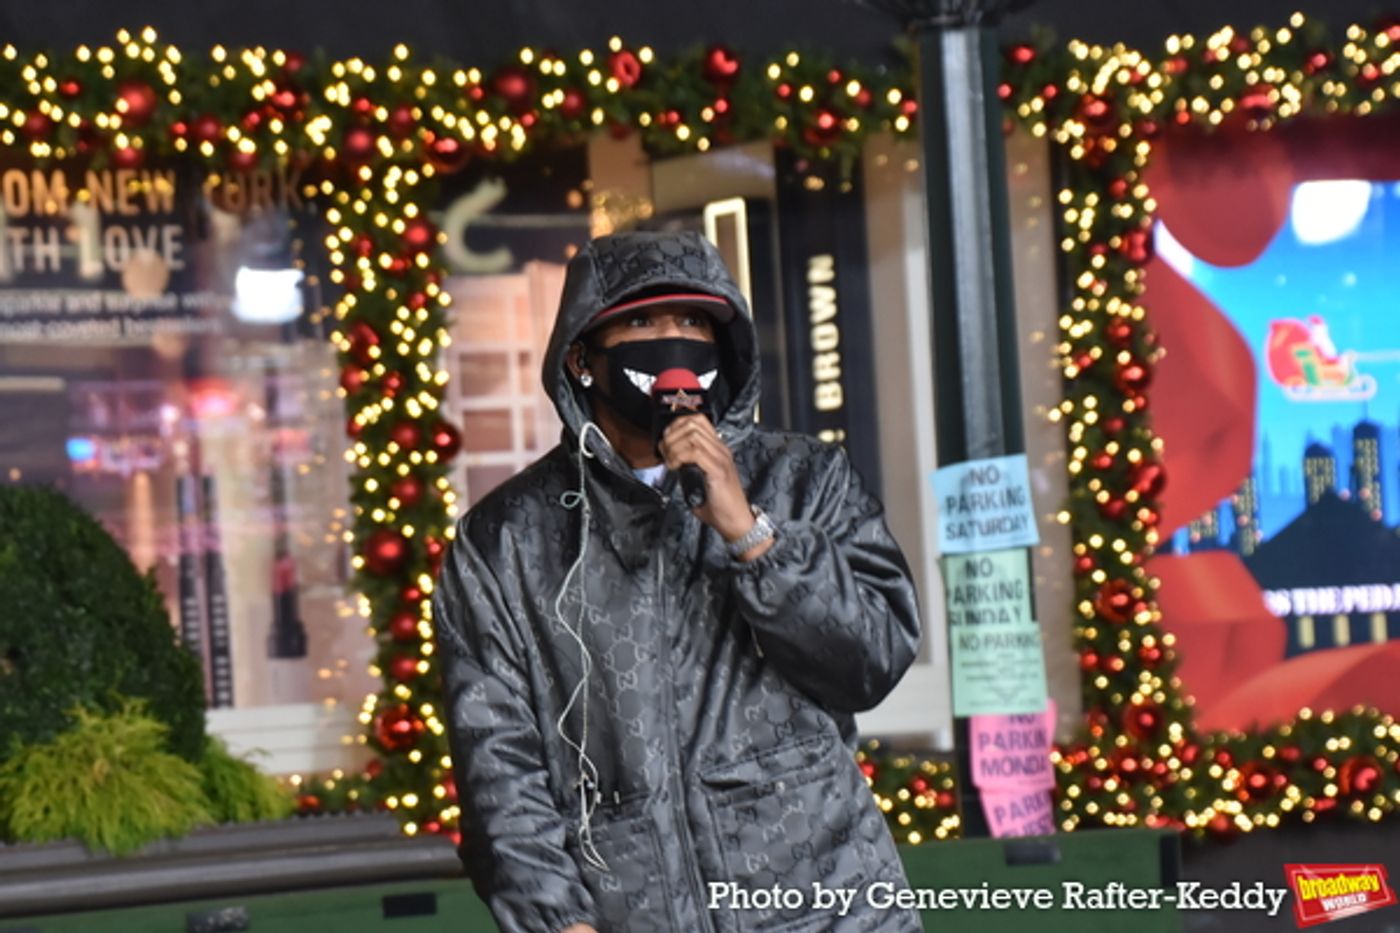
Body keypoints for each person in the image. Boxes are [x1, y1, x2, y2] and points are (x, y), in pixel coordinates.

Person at [434, 230, 923, 933]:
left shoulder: (805, 480)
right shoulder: (506, 538)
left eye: (695, 322)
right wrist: (556, 919)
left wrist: (750, 532)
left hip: (830, 909)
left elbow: (869, 661)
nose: (673, 342)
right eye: (640, 322)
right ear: (581, 356)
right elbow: (496, 758)